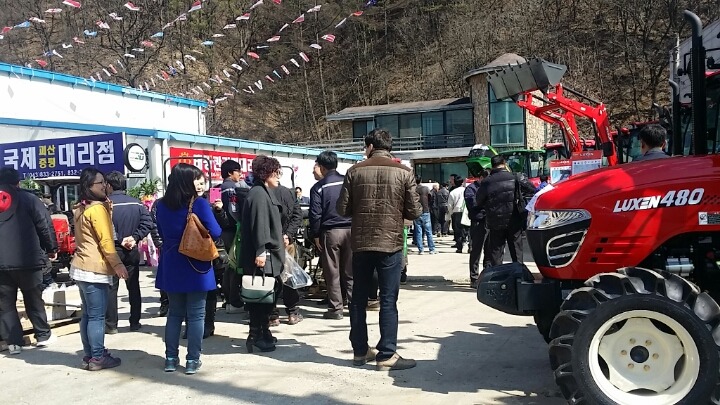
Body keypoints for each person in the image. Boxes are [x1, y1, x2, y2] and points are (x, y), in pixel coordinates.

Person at [337, 128, 422, 371]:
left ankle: (359, 351)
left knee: (358, 299)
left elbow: (342, 209)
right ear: (389, 147)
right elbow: (415, 211)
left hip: (361, 243)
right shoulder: (404, 172)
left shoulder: (354, 171)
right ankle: (386, 355)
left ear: (370, 146)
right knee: (388, 300)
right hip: (390, 243)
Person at [155, 164, 222, 374]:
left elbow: (161, 233)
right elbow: (216, 231)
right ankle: (192, 360)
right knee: (196, 315)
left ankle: (170, 359)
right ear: (186, 181)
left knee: (174, 313)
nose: (199, 184)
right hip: (196, 262)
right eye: (196, 179)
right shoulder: (199, 204)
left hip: (171, 262)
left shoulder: (160, 205)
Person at [70, 168, 128, 370]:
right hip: (94, 269)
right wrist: (118, 264)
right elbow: (106, 241)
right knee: (96, 317)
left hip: (81, 267)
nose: (104, 186)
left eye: (104, 182)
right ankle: (98, 356)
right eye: (100, 183)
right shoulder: (96, 210)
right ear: (88, 186)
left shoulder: (81, 207)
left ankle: (90, 355)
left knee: (88, 315)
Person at [0, 167, 58, 355]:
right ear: (18, 182)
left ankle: (14, 344)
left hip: (1, 265)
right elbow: (44, 224)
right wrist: (51, 248)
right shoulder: (29, 199)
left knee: (5, 304)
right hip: (28, 259)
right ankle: (43, 336)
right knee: (33, 298)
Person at [241, 156, 285, 353]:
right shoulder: (259, 194)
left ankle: (259, 332)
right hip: (263, 255)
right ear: (265, 174)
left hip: (267, 253)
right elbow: (259, 225)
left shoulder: (262, 192)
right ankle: (258, 334)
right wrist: (261, 251)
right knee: (261, 296)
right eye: (276, 173)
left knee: (265, 295)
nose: (278, 177)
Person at [104, 171, 153, 333]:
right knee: (133, 287)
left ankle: (111, 325)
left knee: (111, 288)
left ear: (109, 185)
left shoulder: (106, 205)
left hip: (112, 251)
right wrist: (135, 237)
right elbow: (148, 223)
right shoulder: (137, 204)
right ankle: (135, 322)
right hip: (131, 249)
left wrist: (119, 240)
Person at [310, 151, 354, 320]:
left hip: (331, 232)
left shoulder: (318, 187)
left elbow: (315, 214)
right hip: (351, 230)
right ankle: (355, 306)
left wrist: (315, 235)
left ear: (322, 167)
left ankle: (336, 309)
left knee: (332, 272)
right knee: (350, 271)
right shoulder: (347, 181)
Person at [475, 155, 536, 266]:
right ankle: (518, 273)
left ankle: (499, 274)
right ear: (504, 163)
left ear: (492, 165)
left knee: (496, 252)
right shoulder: (516, 177)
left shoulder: (487, 182)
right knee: (516, 251)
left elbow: (478, 201)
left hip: (495, 221)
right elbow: (532, 190)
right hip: (514, 219)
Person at [271, 182, 303, 326]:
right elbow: (297, 215)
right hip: (285, 241)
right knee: (288, 276)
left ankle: (273, 314)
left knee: (272, 278)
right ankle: (292, 312)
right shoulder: (289, 193)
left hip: (271, 242)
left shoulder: (260, 191)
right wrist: (288, 235)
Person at [219, 159, 248, 315]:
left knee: (228, 267)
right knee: (235, 266)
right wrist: (240, 225)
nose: (240, 174)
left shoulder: (219, 188)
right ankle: (234, 301)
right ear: (230, 173)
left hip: (222, 232)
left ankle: (228, 299)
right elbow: (233, 211)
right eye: (238, 171)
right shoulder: (231, 188)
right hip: (232, 231)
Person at [464, 170, 491, 288]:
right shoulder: (471, 189)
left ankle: (487, 275)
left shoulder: (489, 187)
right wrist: (486, 204)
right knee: (476, 250)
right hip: (478, 222)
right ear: (480, 178)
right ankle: (474, 277)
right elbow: (473, 204)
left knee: (489, 251)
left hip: (489, 222)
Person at [413, 176, 437, 255]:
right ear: (421, 180)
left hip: (416, 211)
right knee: (428, 231)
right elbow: (430, 197)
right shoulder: (426, 188)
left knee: (418, 232)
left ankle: (421, 249)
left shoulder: (413, 189)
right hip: (425, 210)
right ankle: (432, 249)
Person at [448, 177, 468, 253]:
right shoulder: (467, 190)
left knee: (458, 230)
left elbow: (450, 205)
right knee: (468, 229)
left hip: (457, 212)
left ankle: (459, 247)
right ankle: (470, 246)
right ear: (462, 183)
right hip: (466, 211)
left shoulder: (453, 192)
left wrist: (451, 213)